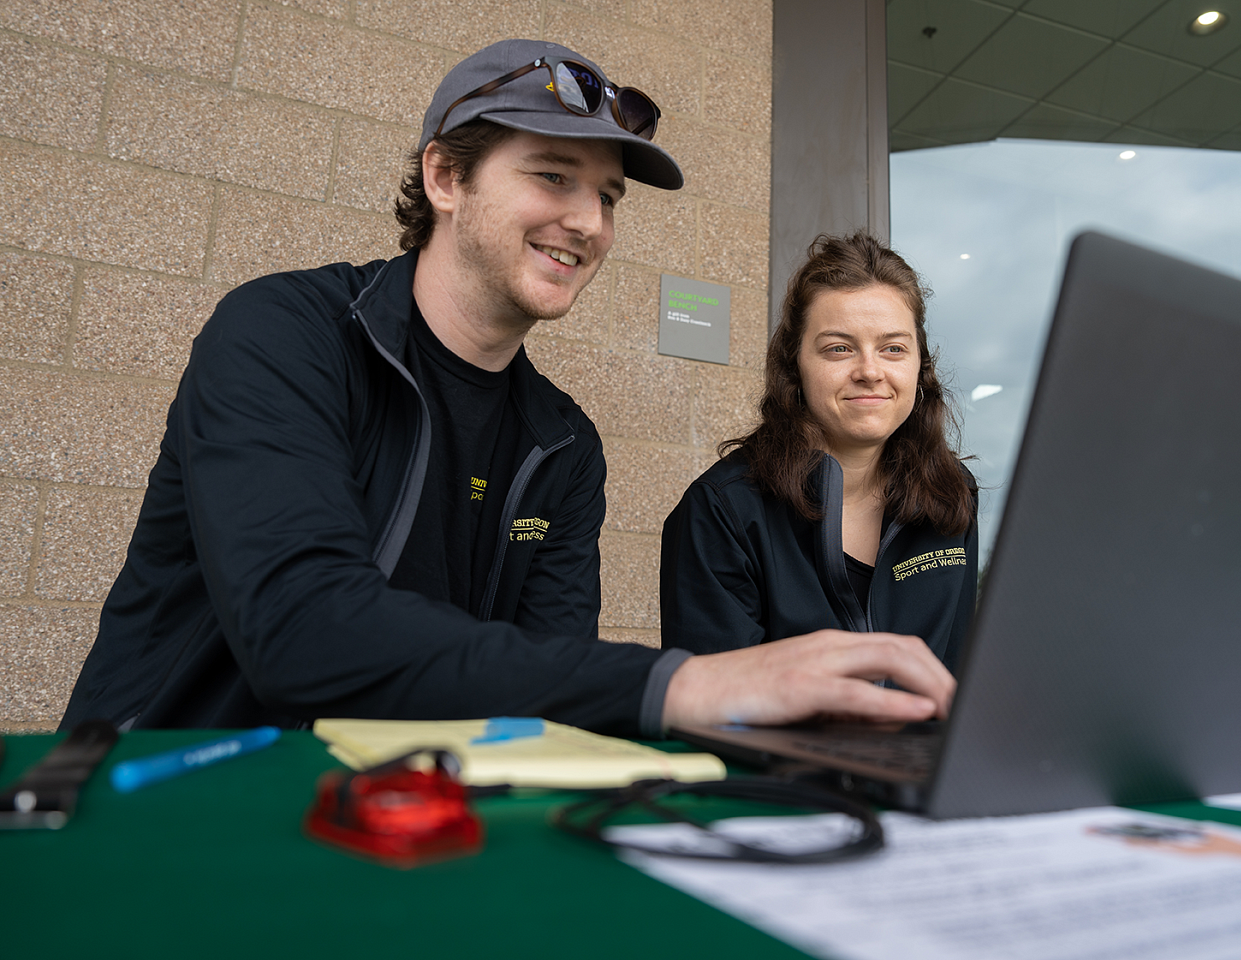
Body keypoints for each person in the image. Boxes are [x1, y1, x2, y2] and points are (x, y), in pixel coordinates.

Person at [60, 41, 954, 738]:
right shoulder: (282, 334)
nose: (588, 223)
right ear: (446, 176)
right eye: (552, 176)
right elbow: (305, 630)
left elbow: (545, 683)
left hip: (401, 825)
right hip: (172, 803)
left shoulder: (564, 445)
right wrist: (681, 683)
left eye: (607, 196)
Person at [660, 232, 978, 670]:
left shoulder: (952, 491)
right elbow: (714, 711)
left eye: (893, 348)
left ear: (920, 365)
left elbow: (957, 674)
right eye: (839, 348)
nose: (869, 371)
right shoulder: (723, 510)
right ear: (795, 365)